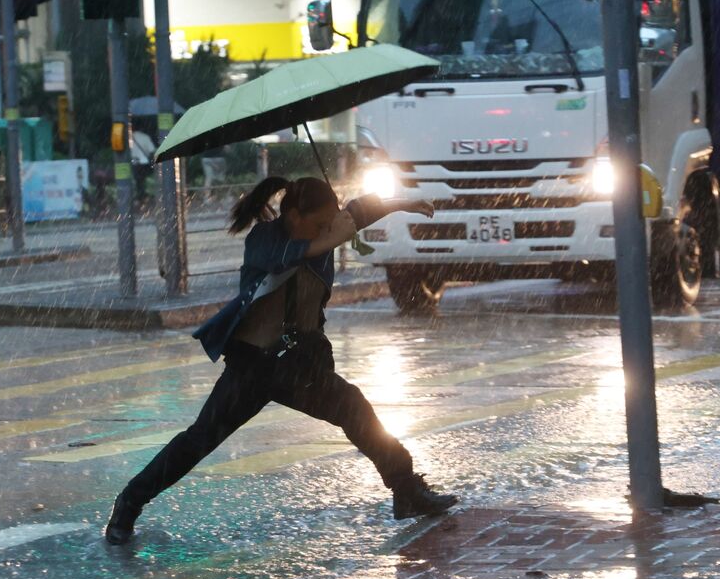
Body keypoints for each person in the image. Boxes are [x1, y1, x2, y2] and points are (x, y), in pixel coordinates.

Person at [105, 176, 459, 545]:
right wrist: (339, 230)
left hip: (298, 367)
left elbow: (360, 208)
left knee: (354, 408)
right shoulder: (264, 239)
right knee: (200, 439)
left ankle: (406, 491)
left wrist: (401, 204)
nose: (325, 228)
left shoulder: (325, 231)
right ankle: (129, 502)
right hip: (252, 366)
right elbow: (306, 249)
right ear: (292, 215)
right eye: (319, 222)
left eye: (328, 222)